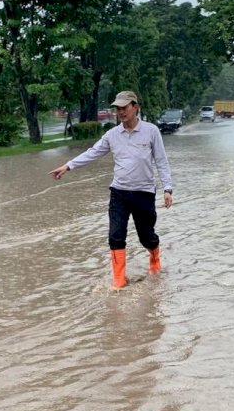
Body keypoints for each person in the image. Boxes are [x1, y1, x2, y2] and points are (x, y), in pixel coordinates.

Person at [49, 90, 173, 289]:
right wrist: (68, 165)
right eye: (118, 108)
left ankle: (155, 258)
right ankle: (118, 281)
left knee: (147, 236)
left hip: (144, 193)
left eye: (124, 107)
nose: (121, 112)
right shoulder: (112, 135)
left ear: (135, 107)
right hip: (119, 193)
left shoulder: (151, 131)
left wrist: (168, 188)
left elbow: (161, 161)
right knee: (115, 236)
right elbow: (93, 152)